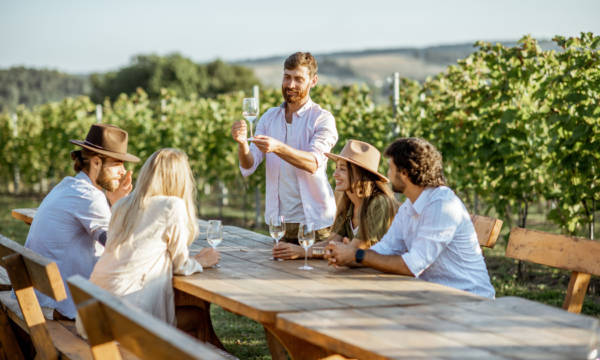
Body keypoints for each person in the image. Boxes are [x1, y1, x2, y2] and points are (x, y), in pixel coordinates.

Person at [325, 138, 495, 299]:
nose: (388, 175)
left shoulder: (442, 206)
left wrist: (358, 255)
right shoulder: (409, 207)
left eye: (390, 168)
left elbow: (412, 266)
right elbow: (385, 249)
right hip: (433, 296)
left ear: (404, 173)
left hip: (469, 298)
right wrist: (350, 256)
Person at [79, 148, 219, 333]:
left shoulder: (122, 204)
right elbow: (181, 266)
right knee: (196, 316)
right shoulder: (172, 206)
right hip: (127, 318)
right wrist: (201, 261)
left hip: (93, 315)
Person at [25, 123, 140, 320]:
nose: (123, 171)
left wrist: (113, 204)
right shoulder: (90, 197)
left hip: (42, 299)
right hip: (62, 309)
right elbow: (116, 246)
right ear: (96, 163)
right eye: (117, 164)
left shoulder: (69, 186)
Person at [231, 52, 338, 243]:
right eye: (287, 77)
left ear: (313, 81)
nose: (290, 85)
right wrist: (241, 145)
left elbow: (313, 163)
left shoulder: (322, 119)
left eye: (298, 79)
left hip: (315, 224)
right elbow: (249, 165)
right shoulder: (269, 117)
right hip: (279, 223)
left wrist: (278, 147)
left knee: (316, 274)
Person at [273, 139, 397, 260]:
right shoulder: (348, 203)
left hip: (380, 278)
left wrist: (304, 251)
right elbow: (330, 244)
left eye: (342, 169)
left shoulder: (379, 203)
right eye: (336, 168)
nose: (335, 174)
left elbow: (355, 250)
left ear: (360, 174)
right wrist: (302, 251)